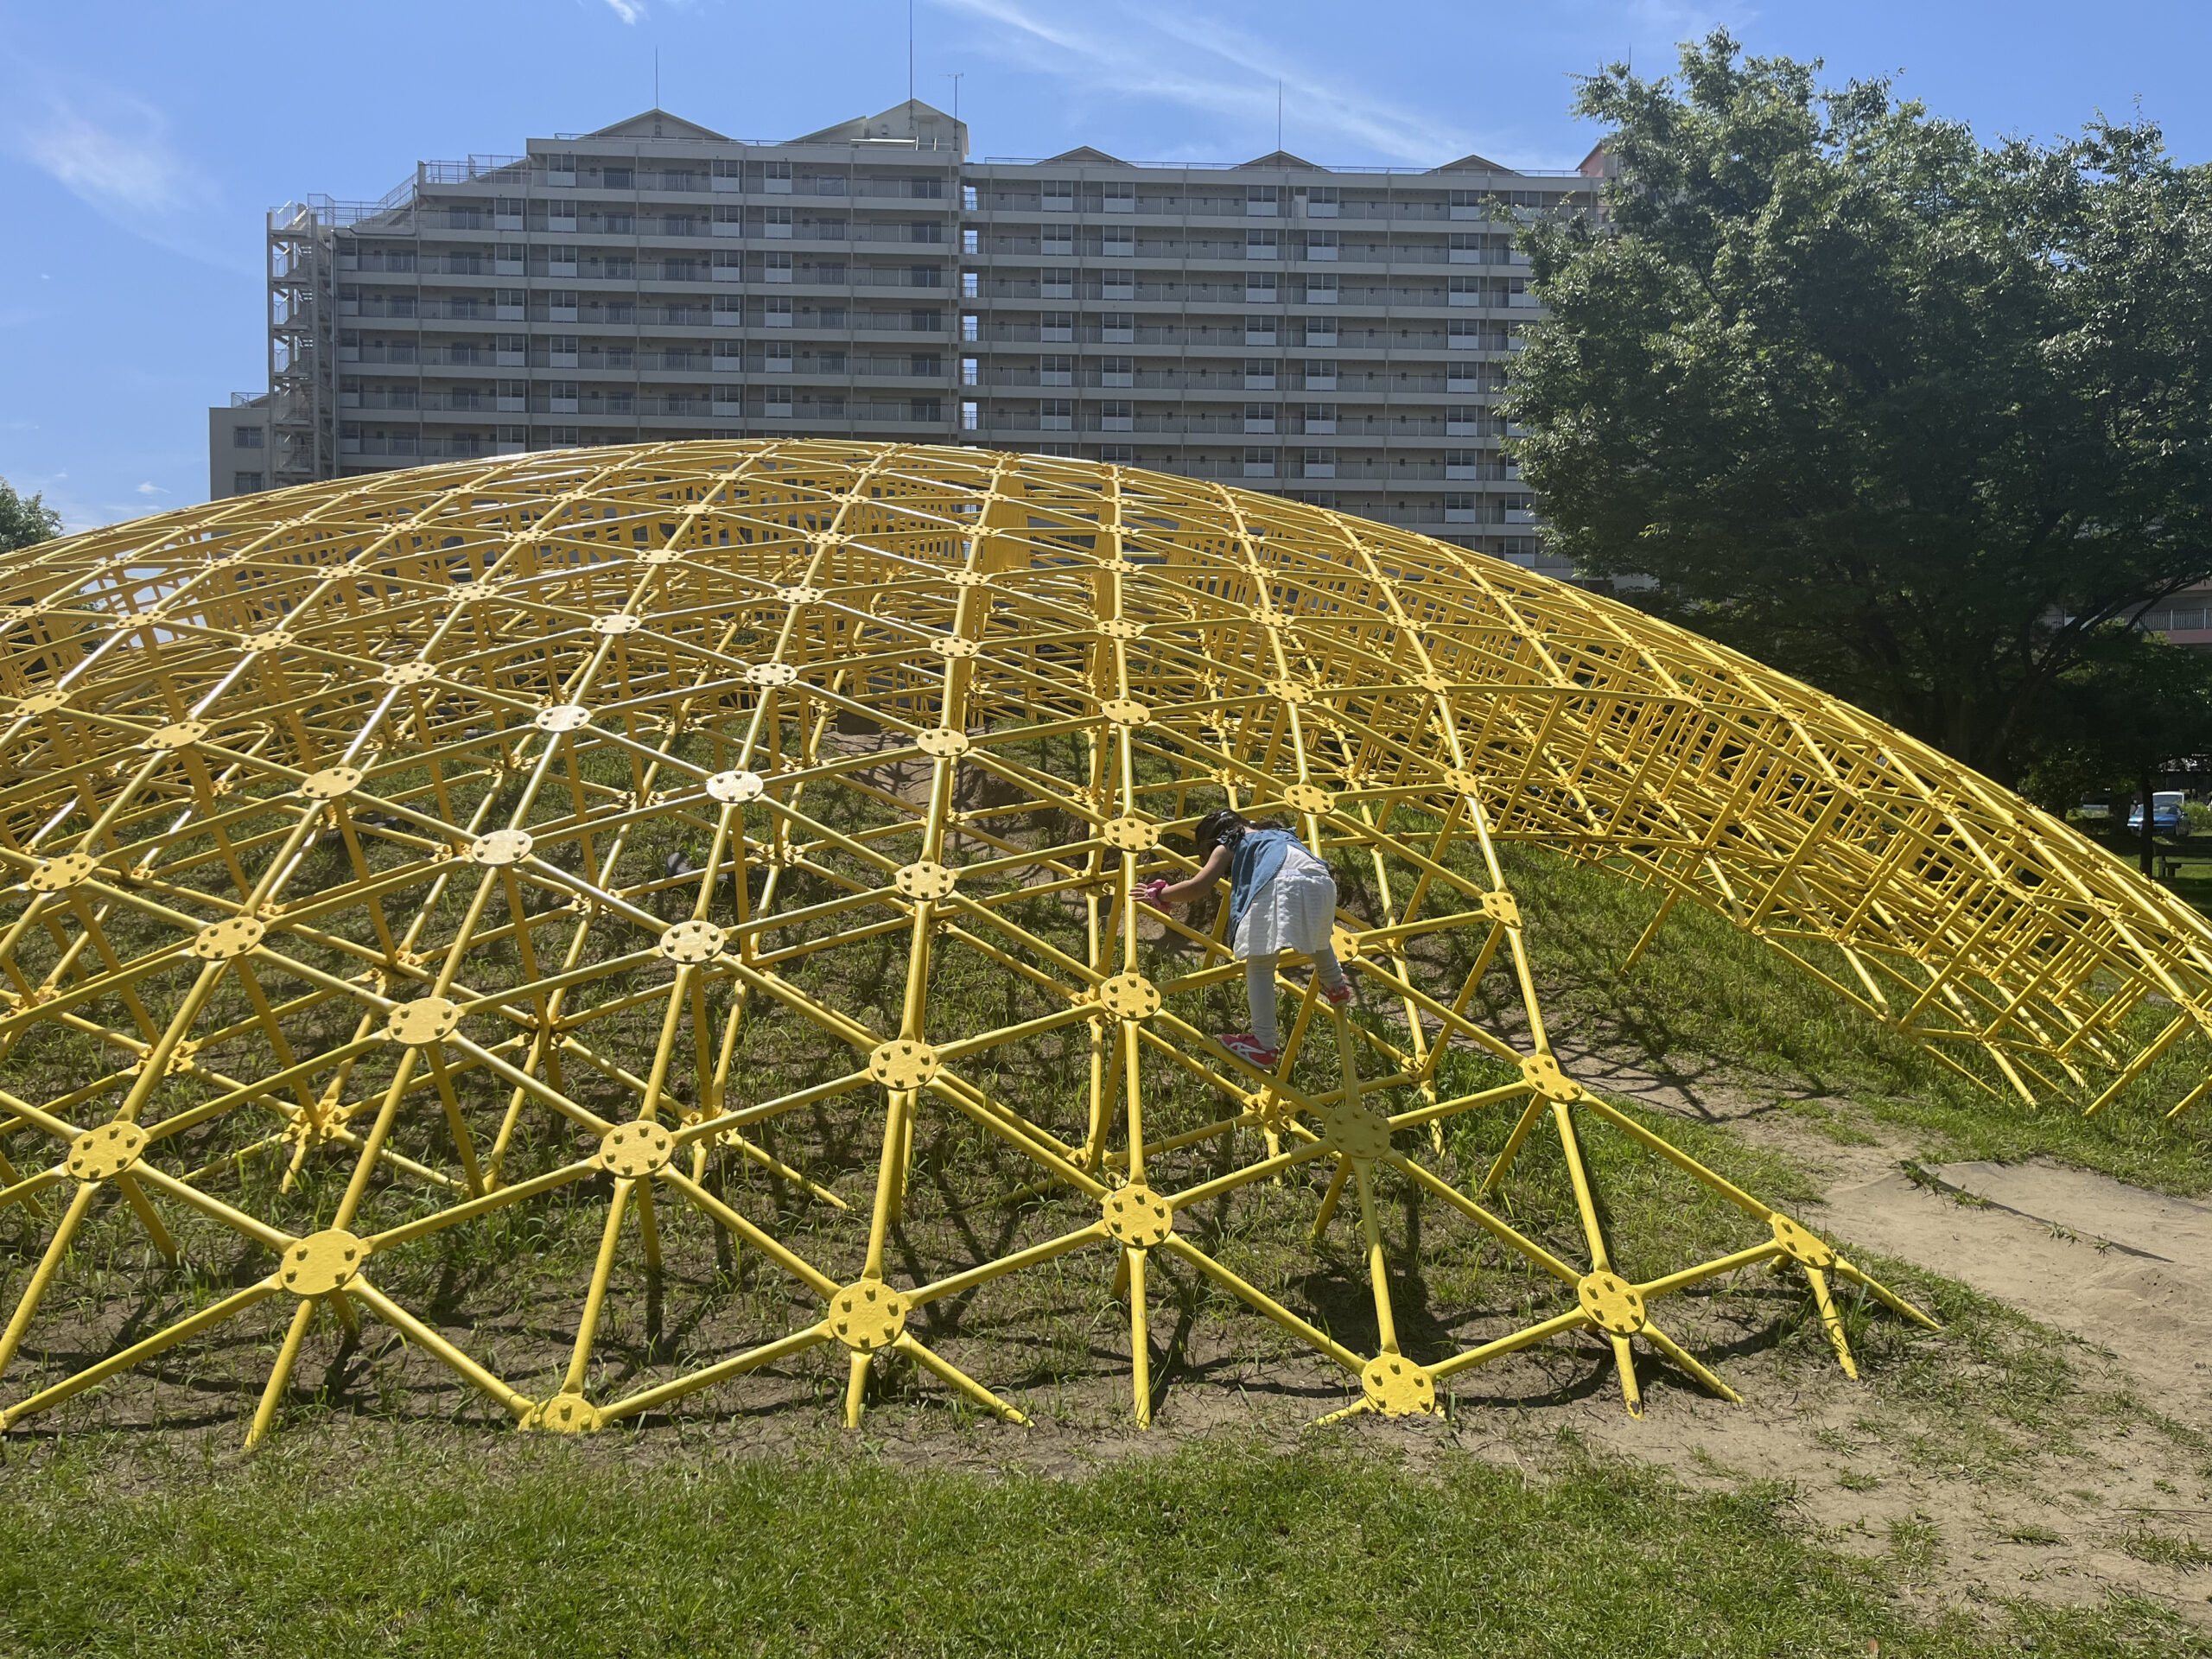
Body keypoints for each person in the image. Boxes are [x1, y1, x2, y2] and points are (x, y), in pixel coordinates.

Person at [1140, 808, 1352, 1070]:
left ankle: (1263, 1044)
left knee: (1260, 965)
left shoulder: (1230, 841)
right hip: (1321, 880)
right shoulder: (1276, 833)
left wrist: (1162, 895)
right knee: (1318, 937)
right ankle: (1335, 985)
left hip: (1278, 883)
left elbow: (1199, 886)